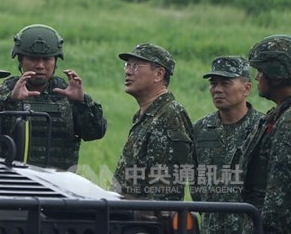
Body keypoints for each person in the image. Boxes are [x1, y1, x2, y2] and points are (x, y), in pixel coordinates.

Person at [0, 24, 106, 170]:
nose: (40, 65)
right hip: (12, 180)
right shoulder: (4, 92)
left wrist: (81, 103)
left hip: (58, 183)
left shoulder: (66, 92)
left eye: (47, 59)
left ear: (55, 62)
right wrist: (11, 102)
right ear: (21, 60)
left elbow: (95, 133)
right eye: (33, 59)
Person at [112, 43, 194, 201]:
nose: (128, 71)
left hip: (148, 221)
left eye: (136, 66)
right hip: (128, 217)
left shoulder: (170, 116)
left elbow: (164, 191)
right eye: (127, 65)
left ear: (158, 74)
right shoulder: (145, 115)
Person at [192, 56, 262, 233]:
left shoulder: (263, 128)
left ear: (246, 88)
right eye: (213, 83)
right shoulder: (201, 129)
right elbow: (194, 181)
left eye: (226, 83)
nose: (217, 90)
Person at [237, 35, 291, 234]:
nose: (257, 77)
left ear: (277, 74)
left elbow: (281, 186)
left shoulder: (287, 120)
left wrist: (268, 228)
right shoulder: (277, 116)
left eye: (260, 71)